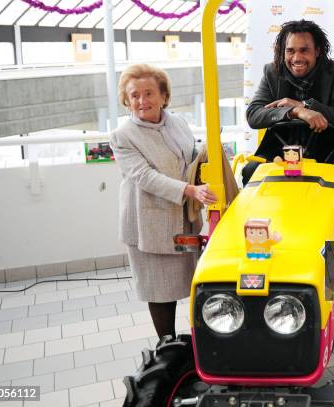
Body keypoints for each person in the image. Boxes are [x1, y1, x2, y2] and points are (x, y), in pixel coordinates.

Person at [109, 64, 217, 339]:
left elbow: (192, 154)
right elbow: (144, 176)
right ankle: (166, 346)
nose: (142, 101)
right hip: (150, 226)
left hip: (184, 222)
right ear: (126, 100)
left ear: (163, 96)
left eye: (149, 93)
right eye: (134, 95)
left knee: (191, 282)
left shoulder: (177, 122)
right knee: (159, 291)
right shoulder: (122, 136)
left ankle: (196, 345)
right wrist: (189, 190)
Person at [244, 19, 334, 239]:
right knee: (250, 170)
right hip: (281, 148)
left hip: (332, 148)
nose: (296, 58)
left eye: (304, 50)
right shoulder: (272, 72)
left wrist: (307, 106)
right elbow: (254, 114)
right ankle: (258, 237)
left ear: (317, 51)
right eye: (290, 51)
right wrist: (295, 112)